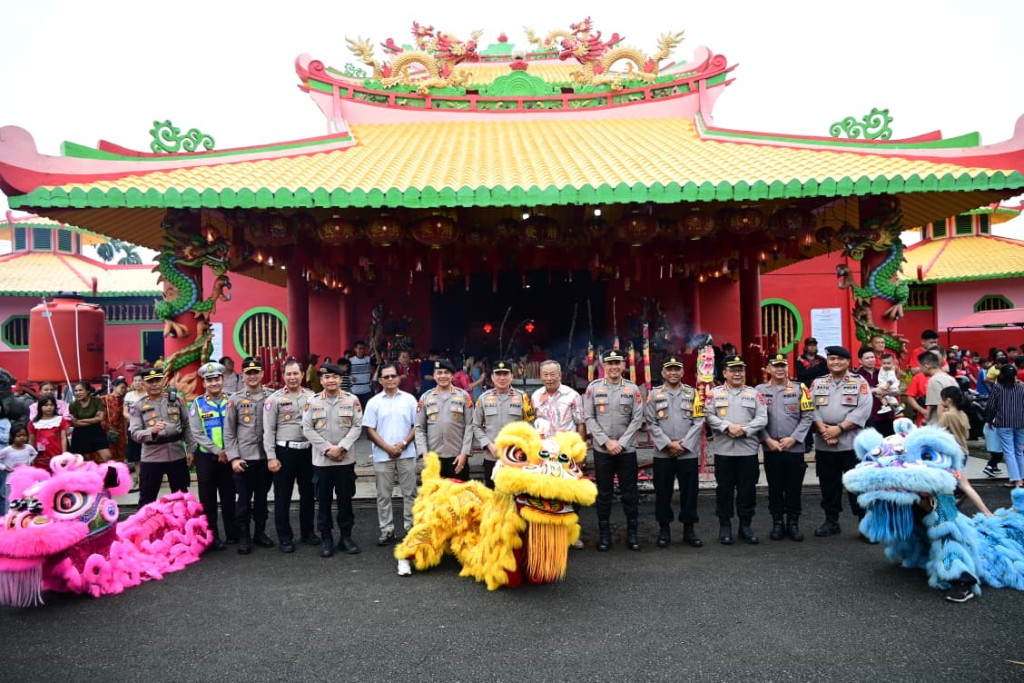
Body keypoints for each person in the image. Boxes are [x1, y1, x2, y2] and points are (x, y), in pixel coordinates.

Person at [583, 349, 644, 551]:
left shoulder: (632, 389)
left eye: (618, 362)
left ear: (624, 365)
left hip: (626, 451)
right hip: (603, 451)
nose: (614, 366)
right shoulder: (593, 388)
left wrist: (622, 443)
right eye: (610, 363)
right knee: (604, 493)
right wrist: (606, 442)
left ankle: (633, 533)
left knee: (630, 492)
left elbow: (637, 419)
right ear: (604, 366)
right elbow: (589, 418)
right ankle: (604, 534)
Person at [810, 346, 873, 537]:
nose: (835, 362)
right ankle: (831, 521)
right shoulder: (818, 383)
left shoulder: (859, 382)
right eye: (832, 359)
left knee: (857, 485)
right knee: (829, 485)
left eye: (840, 359)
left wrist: (838, 429)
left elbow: (863, 409)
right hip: (824, 443)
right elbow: (809, 407)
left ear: (848, 362)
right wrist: (823, 429)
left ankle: (865, 524)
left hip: (850, 443)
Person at [706, 354, 768, 545]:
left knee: (747, 491)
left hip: (747, 451)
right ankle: (725, 526)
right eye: (732, 370)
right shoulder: (714, 394)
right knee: (724, 490)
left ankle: (745, 526)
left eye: (740, 369)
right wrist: (727, 427)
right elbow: (707, 415)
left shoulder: (754, 393)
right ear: (724, 373)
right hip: (724, 452)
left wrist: (745, 429)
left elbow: (762, 417)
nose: (737, 373)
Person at [303, 362, 364, 559]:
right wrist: (328, 449)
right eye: (327, 377)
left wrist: (342, 447)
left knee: (345, 501)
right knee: (323, 502)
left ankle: (346, 537)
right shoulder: (312, 401)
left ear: (340, 380)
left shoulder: (351, 400)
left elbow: (357, 426)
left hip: (345, 461)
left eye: (334, 377)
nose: (331, 380)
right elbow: (307, 429)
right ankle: (326, 538)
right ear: (321, 380)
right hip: (322, 462)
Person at [645, 356, 705, 548]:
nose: (673, 372)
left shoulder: (693, 393)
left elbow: (699, 420)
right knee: (663, 492)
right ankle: (664, 530)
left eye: (676, 369)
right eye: (669, 369)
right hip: (663, 453)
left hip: (687, 453)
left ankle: (689, 530)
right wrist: (668, 444)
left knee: (690, 493)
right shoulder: (654, 395)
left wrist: (683, 444)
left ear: (682, 372)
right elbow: (651, 422)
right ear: (663, 373)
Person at [363, 362, 418, 563]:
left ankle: (410, 528)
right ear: (380, 380)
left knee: (409, 493)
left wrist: (402, 444)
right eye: (386, 377)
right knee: (383, 495)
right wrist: (387, 448)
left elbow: (417, 425)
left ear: (399, 377)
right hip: (382, 455)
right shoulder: (374, 402)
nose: (390, 379)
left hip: (407, 453)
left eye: (393, 376)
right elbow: (369, 429)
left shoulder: (410, 400)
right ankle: (387, 531)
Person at [756, 352, 814, 541]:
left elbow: (807, 416)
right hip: (771, 447)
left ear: (787, 368)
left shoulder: (800, 389)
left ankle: (793, 522)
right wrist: (766, 439)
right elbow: (755, 419)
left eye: (783, 365)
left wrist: (794, 438)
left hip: (794, 448)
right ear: (768, 369)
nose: (780, 369)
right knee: (775, 487)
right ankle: (778, 522)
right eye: (776, 366)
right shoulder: (759, 391)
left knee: (794, 487)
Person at [263, 359, 318, 553]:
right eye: (289, 374)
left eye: (296, 373)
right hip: (284, 453)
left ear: (302, 375)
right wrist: (271, 456)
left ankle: (308, 532)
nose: (292, 377)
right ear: (283, 376)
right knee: (282, 496)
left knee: (309, 495)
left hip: (308, 452)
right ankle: (285, 537)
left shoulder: (312, 397)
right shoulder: (274, 399)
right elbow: (268, 430)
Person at [531, 359, 587, 549]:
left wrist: (581, 453)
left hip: (567, 453)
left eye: (552, 374)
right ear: (540, 377)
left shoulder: (572, 396)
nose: (549, 378)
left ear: (560, 375)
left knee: (569, 496)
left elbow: (580, 423)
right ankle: (548, 535)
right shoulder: (536, 397)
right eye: (545, 375)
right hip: (544, 454)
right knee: (546, 495)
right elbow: (533, 426)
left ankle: (572, 535)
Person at [223, 357, 276, 555]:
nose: (252, 376)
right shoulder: (235, 400)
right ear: (243, 376)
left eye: (256, 373)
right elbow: (229, 432)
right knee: (243, 500)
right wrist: (234, 458)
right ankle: (244, 536)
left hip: (264, 458)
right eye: (248, 373)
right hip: (244, 459)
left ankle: (260, 533)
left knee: (262, 499)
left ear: (262, 374)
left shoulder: (272, 397)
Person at [188, 361, 239, 550]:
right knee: (208, 500)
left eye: (217, 379)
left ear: (223, 379)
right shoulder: (198, 404)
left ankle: (233, 533)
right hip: (207, 458)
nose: (214, 383)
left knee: (228, 497)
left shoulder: (233, 400)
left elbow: (240, 427)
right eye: (209, 380)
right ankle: (211, 537)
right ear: (204, 382)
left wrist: (229, 452)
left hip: (230, 458)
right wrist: (217, 451)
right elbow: (197, 433)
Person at [128, 367, 193, 507]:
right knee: (147, 498)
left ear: (164, 381)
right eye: (150, 381)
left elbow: (187, 425)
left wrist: (192, 450)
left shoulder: (176, 400)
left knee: (182, 496)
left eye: (157, 380)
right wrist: (152, 431)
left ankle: (184, 527)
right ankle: (145, 528)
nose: (154, 384)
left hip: (177, 454)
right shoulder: (138, 406)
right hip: (152, 456)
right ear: (143, 384)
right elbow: (134, 433)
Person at [473, 359, 535, 489]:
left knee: (516, 495)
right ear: (492, 377)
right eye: (498, 374)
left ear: (512, 376)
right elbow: (475, 426)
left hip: (516, 456)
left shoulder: (522, 397)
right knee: (493, 495)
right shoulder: (483, 399)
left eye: (505, 374)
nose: (502, 378)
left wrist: (521, 446)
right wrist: (488, 445)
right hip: (492, 456)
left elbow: (530, 425)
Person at [415, 358, 474, 482]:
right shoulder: (426, 397)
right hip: (433, 458)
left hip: (457, 457)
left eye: (446, 373)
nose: (443, 376)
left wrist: (464, 453)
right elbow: (419, 428)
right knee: (435, 498)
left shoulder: (463, 396)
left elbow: (470, 426)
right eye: (439, 373)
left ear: (452, 376)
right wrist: (424, 453)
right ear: (434, 376)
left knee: (459, 497)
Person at [937, 386, 993, 516]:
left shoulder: (947, 416)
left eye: (943, 399)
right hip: (964, 452)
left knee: (962, 484)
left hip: (952, 455)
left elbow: (938, 433)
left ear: (949, 400)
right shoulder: (963, 414)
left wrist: (940, 413)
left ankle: (986, 512)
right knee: (958, 482)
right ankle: (954, 503)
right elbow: (967, 436)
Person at [985, 364, 1024, 488]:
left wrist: (989, 420)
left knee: (1009, 451)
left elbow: (991, 406)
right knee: (1019, 451)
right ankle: (1022, 477)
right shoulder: (1021, 388)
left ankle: (1015, 479)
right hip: (1021, 422)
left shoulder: (998, 388)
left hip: (1004, 422)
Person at [853, 348, 896, 439]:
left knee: (889, 443)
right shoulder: (856, 376)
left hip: (887, 415)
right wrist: (873, 390)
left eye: (872, 357)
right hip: (867, 416)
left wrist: (890, 391)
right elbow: (853, 393)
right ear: (860, 360)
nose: (871, 360)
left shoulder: (883, 372)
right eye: (867, 358)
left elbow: (896, 389)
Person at [67, 381, 112, 463]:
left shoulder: (96, 401)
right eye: (76, 391)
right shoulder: (73, 405)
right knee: (86, 460)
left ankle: (110, 474)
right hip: (80, 433)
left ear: (88, 391)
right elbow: (74, 423)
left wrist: (81, 420)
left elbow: (100, 418)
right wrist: (93, 419)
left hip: (96, 431)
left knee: (107, 456)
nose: (78, 393)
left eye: (80, 390)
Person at [0, 423, 36, 514]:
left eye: (24, 435)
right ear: (12, 437)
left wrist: (29, 461)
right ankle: (9, 518)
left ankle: (24, 517)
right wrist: (4, 468)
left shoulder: (28, 448)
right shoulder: (7, 450)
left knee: (25, 498)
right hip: (11, 480)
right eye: (18, 436)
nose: (22, 438)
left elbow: (35, 453)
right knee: (11, 500)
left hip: (26, 479)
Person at [28, 395, 69, 471]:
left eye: (51, 405)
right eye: (46, 405)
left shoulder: (60, 420)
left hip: (56, 455)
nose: (49, 407)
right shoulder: (33, 423)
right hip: (39, 457)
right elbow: (31, 441)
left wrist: (64, 456)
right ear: (40, 407)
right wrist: (31, 457)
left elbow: (63, 439)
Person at [122, 373, 146, 491]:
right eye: (135, 380)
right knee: (137, 457)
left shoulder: (148, 395)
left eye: (140, 380)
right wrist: (135, 419)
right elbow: (125, 412)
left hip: (147, 429)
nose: (137, 383)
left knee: (147, 456)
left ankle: (147, 480)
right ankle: (140, 481)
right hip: (134, 428)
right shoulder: (129, 395)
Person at [922, 352, 957, 425]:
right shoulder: (950, 378)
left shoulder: (934, 380)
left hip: (939, 426)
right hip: (953, 422)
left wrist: (941, 429)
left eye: (920, 366)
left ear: (927, 366)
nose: (920, 369)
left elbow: (940, 406)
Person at [101, 377, 128, 462]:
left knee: (120, 456)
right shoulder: (104, 399)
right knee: (107, 457)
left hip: (120, 432)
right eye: (122, 387)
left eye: (125, 388)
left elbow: (125, 419)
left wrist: (125, 434)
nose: (123, 390)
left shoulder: (125, 401)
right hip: (106, 431)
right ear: (114, 387)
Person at [349, 341, 374, 409]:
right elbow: (343, 373)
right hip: (355, 392)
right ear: (355, 349)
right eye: (360, 348)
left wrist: (375, 348)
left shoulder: (369, 359)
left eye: (363, 348)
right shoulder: (350, 361)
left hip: (367, 391)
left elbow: (379, 362)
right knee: (356, 413)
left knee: (367, 411)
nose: (362, 350)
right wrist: (350, 377)